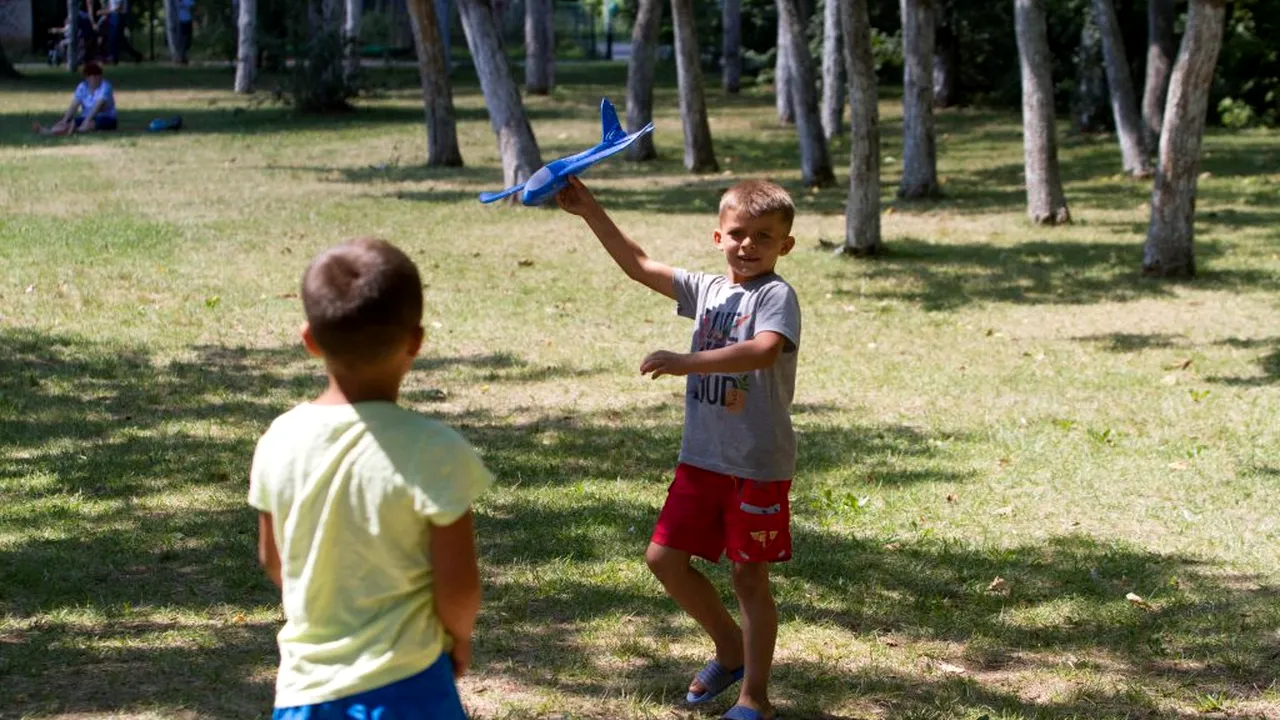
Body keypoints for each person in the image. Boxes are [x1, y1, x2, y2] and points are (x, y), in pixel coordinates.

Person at [557, 177, 801, 720]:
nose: (748, 244)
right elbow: (639, 264)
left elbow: (763, 352)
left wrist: (685, 362)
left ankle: (754, 698)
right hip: (702, 460)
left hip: (755, 466)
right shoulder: (709, 291)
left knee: (748, 576)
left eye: (764, 236)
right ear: (718, 237)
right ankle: (730, 647)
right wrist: (590, 209)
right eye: (738, 233)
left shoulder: (775, 296)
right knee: (663, 559)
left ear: (785, 245)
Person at [249, 237, 492, 720]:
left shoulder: (279, 439)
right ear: (416, 342)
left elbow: (275, 561)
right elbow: (459, 587)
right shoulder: (436, 450)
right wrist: (458, 637)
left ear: (310, 339)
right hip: (410, 686)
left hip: (306, 692)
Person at [32, 62, 118, 135]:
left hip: (106, 118)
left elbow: (98, 106)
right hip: (85, 117)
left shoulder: (105, 86)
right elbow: (74, 105)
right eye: (92, 76)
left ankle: (74, 130)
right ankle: (48, 131)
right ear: (87, 77)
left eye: (97, 75)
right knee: (70, 122)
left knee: (91, 124)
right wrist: (65, 120)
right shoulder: (82, 87)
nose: (95, 78)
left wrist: (87, 120)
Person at [176, 0, 196, 64]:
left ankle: (184, 56)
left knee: (187, 39)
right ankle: (181, 57)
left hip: (188, 19)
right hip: (180, 20)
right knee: (182, 39)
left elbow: (193, 7)